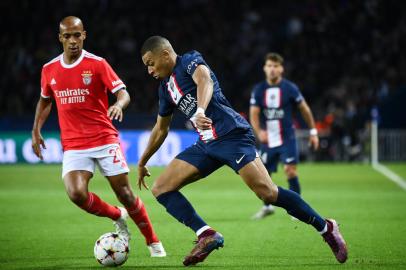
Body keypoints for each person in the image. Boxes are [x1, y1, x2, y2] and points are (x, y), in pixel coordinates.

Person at [137, 35, 347, 266]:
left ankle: (326, 228)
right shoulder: (165, 89)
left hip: (231, 135)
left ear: (165, 54)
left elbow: (204, 80)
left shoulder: (190, 60)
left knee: (267, 193)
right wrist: (142, 161)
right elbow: (161, 128)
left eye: (150, 63)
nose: (149, 70)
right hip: (206, 144)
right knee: (161, 187)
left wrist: (200, 110)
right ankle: (206, 234)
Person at [31, 16, 166, 257]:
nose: (73, 40)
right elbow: (45, 101)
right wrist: (36, 130)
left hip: (103, 138)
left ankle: (152, 240)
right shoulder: (49, 69)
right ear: (60, 38)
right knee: (76, 193)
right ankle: (118, 216)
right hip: (73, 144)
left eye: (77, 35)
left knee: (125, 194)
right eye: (68, 36)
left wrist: (119, 105)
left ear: (84, 35)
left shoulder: (97, 63)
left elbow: (123, 93)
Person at [250, 53, 319, 219]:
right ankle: (267, 207)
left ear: (281, 69)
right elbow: (254, 113)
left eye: (275, 66)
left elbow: (304, 109)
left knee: (290, 171)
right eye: (269, 66)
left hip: (287, 138)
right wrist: (259, 132)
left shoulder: (290, 88)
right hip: (268, 140)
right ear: (264, 68)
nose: (272, 69)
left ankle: (298, 209)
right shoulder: (259, 90)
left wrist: (313, 131)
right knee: (262, 175)